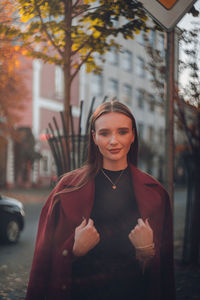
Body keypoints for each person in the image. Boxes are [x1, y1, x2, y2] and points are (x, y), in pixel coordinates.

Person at [26, 101, 175, 300]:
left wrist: (146, 252)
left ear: (132, 136)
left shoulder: (156, 194)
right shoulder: (66, 189)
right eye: (105, 133)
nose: (114, 141)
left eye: (122, 132)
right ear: (94, 137)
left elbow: (164, 275)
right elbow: (42, 262)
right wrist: (74, 249)